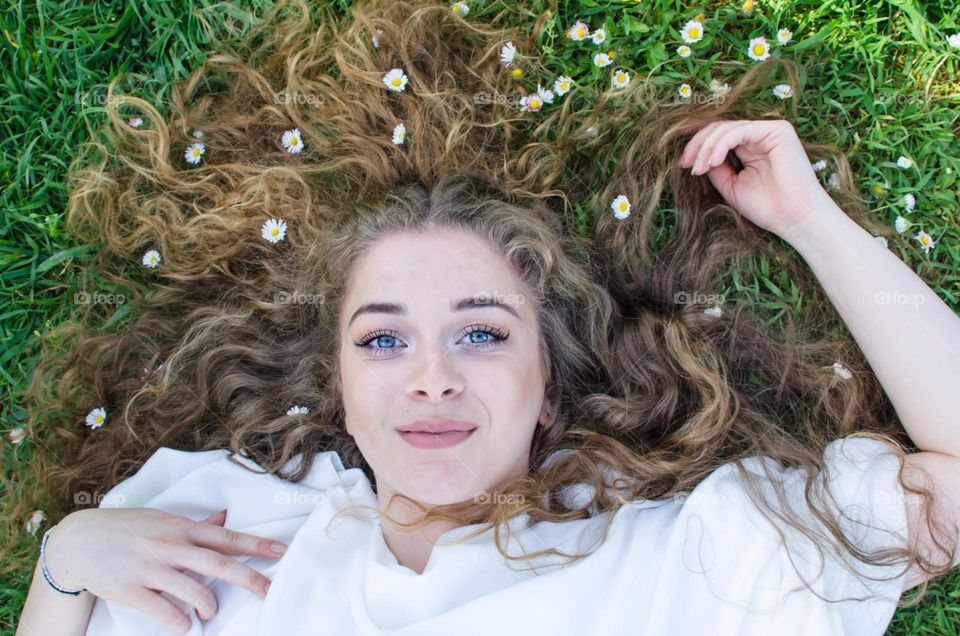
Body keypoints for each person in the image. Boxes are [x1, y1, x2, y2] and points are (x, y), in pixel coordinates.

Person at [10, 1, 960, 635]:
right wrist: (68, 563)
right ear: (339, 393)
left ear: (547, 389)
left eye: (481, 333)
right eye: (383, 338)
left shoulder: (690, 559)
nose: (433, 375)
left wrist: (813, 224)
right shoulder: (223, 538)